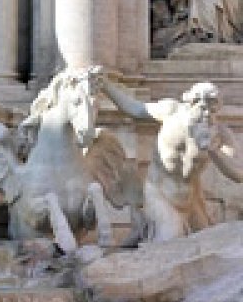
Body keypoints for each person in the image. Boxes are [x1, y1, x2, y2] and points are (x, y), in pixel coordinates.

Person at [100, 76, 243, 241]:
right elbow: (136, 109)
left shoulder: (220, 134)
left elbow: (238, 174)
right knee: (169, 241)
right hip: (160, 192)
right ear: (190, 103)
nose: (205, 114)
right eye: (200, 107)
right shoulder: (171, 111)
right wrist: (106, 86)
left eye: (211, 110)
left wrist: (213, 151)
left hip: (192, 197)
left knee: (207, 242)